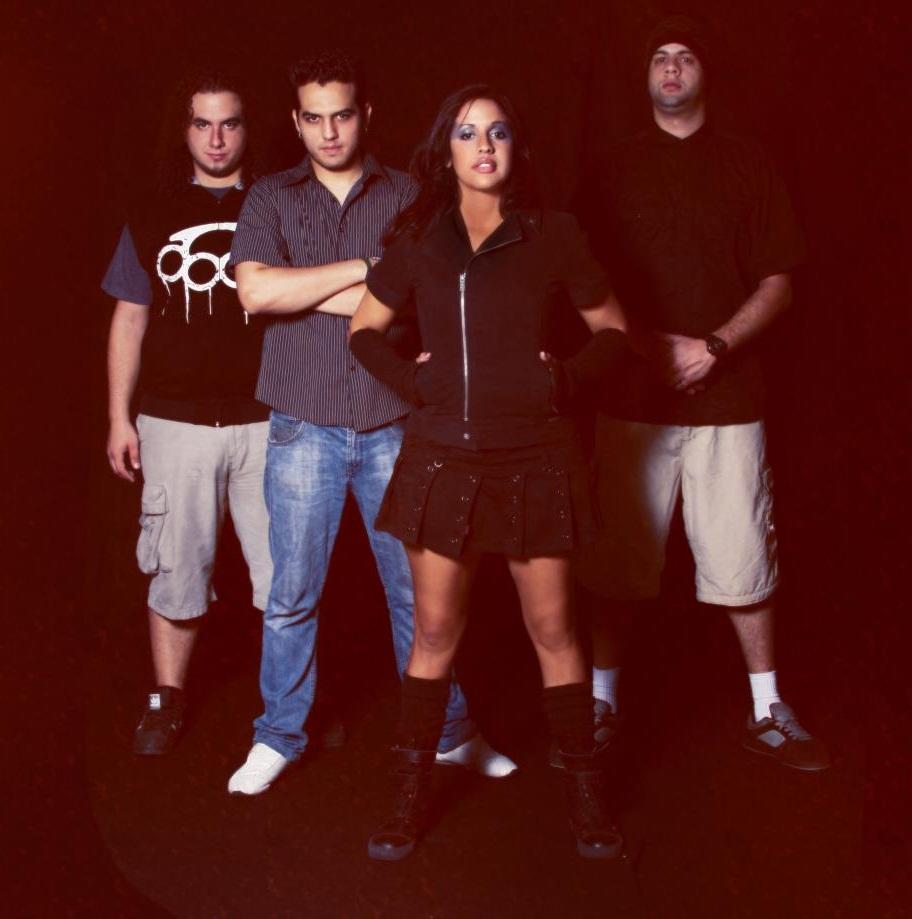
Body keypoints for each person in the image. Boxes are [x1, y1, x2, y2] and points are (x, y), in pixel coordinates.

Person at [350, 84, 629, 860]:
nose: (483, 146)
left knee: (554, 630)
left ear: (515, 149)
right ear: (445, 150)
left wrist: (561, 379)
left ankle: (586, 800)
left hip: (534, 456)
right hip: (442, 455)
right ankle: (407, 801)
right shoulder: (418, 238)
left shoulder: (553, 234)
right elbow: (365, 330)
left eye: (498, 133)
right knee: (434, 630)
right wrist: (413, 382)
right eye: (468, 133)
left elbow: (613, 330)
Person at [226, 51, 513, 795]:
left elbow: (427, 299)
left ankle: (448, 732)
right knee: (291, 596)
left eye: (343, 115)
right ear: (296, 122)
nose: (329, 132)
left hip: (394, 426)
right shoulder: (269, 195)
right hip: (301, 424)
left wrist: (304, 289)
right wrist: (367, 268)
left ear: (366, 115)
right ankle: (278, 735)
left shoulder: (411, 193)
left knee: (419, 594)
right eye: (314, 118)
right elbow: (254, 293)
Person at [576, 16, 829, 771]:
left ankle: (766, 707)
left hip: (728, 398)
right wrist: (645, 347)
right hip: (632, 399)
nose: (672, 67)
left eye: (685, 56)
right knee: (616, 562)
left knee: (744, 557)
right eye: (660, 57)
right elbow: (579, 281)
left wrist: (712, 346)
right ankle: (600, 702)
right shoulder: (611, 168)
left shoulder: (746, 164)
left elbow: (780, 282)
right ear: (645, 76)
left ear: (703, 74)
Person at [103, 70, 271, 755]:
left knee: (285, 572)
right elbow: (129, 316)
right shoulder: (153, 210)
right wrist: (118, 417)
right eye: (203, 123)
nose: (216, 138)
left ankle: (289, 704)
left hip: (268, 420)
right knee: (176, 567)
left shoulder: (277, 203)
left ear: (247, 129)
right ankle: (166, 699)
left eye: (229, 123)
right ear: (186, 131)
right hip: (174, 421)